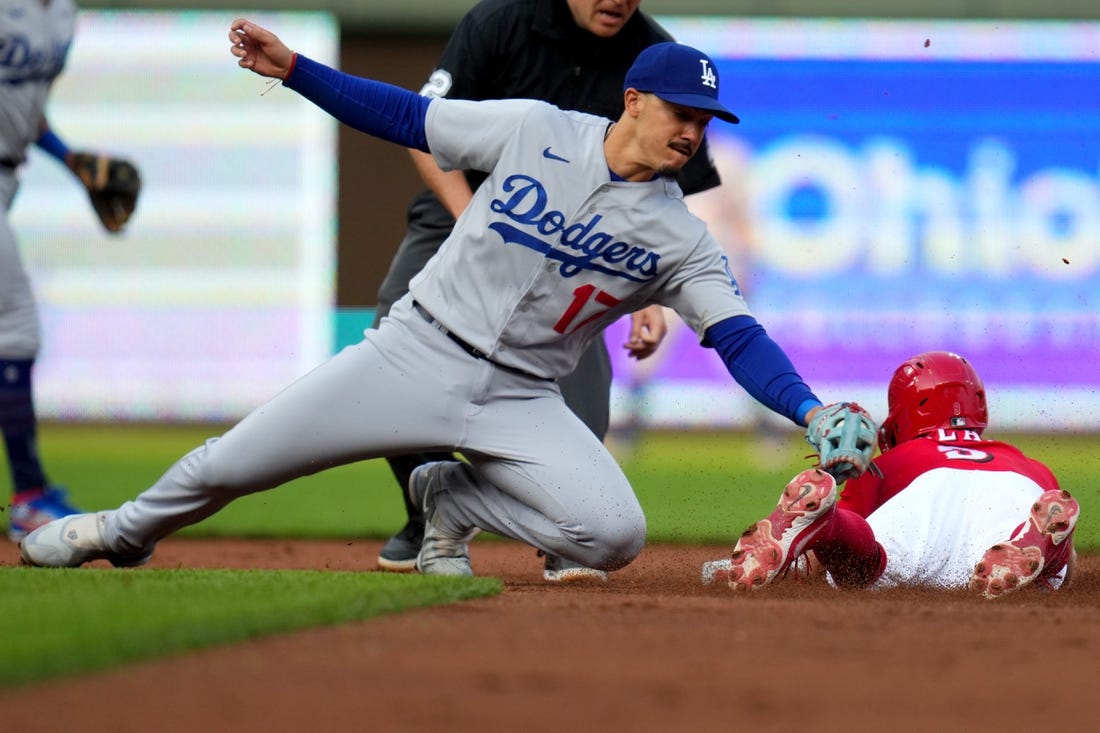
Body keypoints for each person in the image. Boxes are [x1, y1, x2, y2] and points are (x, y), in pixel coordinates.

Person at [18, 20, 858, 578]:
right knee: (231, 464)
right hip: (415, 351)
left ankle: (450, 498)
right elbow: (411, 118)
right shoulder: (535, 129)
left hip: (522, 397)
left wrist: (810, 410)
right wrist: (299, 71)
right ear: (633, 100)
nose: (693, 132)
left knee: (613, 537)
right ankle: (115, 531)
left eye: (707, 122)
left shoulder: (681, 234)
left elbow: (739, 335)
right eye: (683, 111)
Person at [371, 0, 723, 580]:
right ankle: (426, 509)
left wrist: (654, 296)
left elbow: (663, 191)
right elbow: (423, 128)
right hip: (463, 210)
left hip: (578, 247)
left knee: (583, 399)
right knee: (391, 343)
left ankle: (559, 525)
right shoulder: (501, 22)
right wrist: (472, 221)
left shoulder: (656, 59)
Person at [709, 351, 1079, 600]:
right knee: (1053, 577)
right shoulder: (1027, 463)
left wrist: (722, 571)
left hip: (924, 491)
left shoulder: (892, 461)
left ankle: (828, 523)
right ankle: (1047, 550)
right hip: (1015, 497)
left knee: (862, 568)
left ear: (904, 412)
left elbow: (824, 567)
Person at [1, 0, 139, 542]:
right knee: (15, 328)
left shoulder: (60, 14)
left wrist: (70, 159)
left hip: (12, 176)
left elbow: (22, 108)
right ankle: (31, 496)